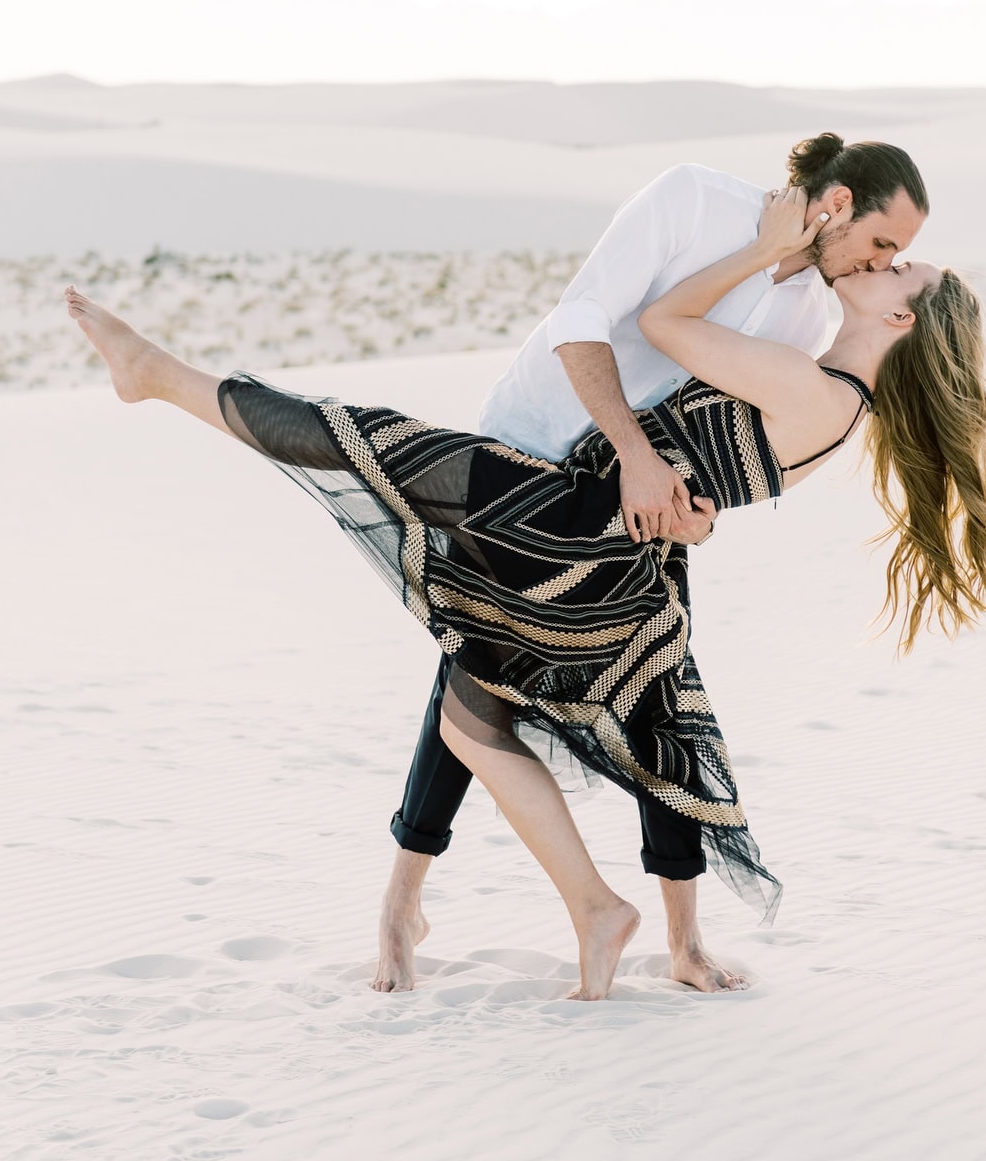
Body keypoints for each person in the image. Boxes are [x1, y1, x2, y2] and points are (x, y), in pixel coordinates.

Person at [64, 185, 986, 1002]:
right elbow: (713, 493)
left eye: (901, 271)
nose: (889, 265)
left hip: (557, 519)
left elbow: (663, 326)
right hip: (603, 546)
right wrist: (694, 514)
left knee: (360, 443)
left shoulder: (814, 386)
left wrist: (760, 252)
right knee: (618, 716)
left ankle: (154, 375)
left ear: (901, 321)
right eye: (891, 249)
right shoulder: (839, 407)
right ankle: (618, 922)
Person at [377, 130, 930, 994]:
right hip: (533, 447)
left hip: (640, 506)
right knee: (475, 667)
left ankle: (681, 942)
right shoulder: (694, 201)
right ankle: (403, 905)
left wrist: (697, 516)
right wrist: (637, 456)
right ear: (834, 206)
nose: (885, 260)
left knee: (656, 690)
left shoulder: (813, 317)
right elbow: (582, 321)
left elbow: (731, 434)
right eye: (883, 242)